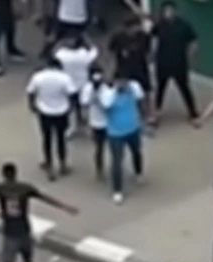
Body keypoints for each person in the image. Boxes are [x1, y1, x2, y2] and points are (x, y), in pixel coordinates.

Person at [149, 0, 199, 125]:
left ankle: (193, 113)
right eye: (166, 11)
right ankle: (156, 114)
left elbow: (193, 41)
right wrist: (152, 55)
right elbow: (153, 39)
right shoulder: (159, 25)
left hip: (179, 62)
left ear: (175, 11)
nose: (169, 13)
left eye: (171, 10)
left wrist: (190, 56)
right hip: (162, 62)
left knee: (184, 88)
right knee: (160, 88)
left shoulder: (184, 25)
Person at [100, 74, 145, 204]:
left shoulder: (134, 87)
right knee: (117, 162)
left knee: (137, 152)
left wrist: (142, 119)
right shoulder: (108, 94)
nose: (123, 84)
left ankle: (138, 172)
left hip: (133, 128)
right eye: (120, 82)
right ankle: (117, 190)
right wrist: (115, 92)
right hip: (115, 133)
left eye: (125, 81)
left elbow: (140, 100)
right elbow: (106, 105)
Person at [27, 58, 75, 180]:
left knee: (47, 139)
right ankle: (63, 164)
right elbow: (72, 94)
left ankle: (49, 165)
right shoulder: (65, 78)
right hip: (61, 111)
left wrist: (32, 105)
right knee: (61, 139)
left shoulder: (38, 77)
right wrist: (71, 108)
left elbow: (30, 92)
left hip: (44, 111)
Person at [55, 33, 99, 135]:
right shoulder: (85, 55)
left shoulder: (62, 55)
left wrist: (61, 43)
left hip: (69, 84)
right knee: (85, 106)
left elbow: (55, 51)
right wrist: (89, 42)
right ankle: (87, 127)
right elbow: (95, 51)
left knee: (71, 107)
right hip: (83, 84)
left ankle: (72, 128)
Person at [77, 69, 109, 178]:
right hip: (95, 122)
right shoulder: (87, 88)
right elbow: (84, 103)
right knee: (99, 148)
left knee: (114, 146)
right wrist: (93, 94)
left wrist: (98, 97)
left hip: (109, 122)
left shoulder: (107, 89)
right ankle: (99, 169)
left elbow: (107, 105)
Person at [108, 13, 152, 92]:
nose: (139, 28)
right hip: (124, 70)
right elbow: (111, 51)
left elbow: (148, 51)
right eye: (137, 26)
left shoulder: (143, 36)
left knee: (144, 91)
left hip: (140, 70)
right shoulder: (118, 38)